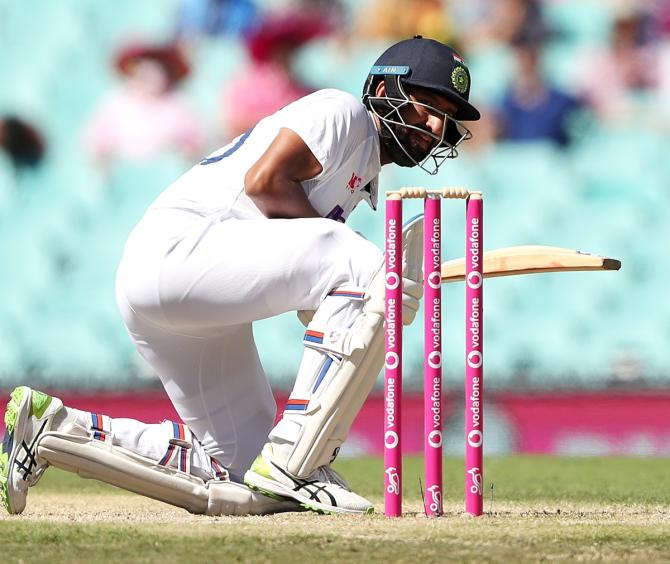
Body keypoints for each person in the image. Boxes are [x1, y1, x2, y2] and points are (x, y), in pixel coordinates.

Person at [0, 36, 480, 516]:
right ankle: (298, 460)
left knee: (241, 472)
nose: (436, 126)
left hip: (180, 292)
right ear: (383, 87)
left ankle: (53, 428)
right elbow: (265, 183)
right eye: (427, 104)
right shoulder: (342, 113)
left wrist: (341, 292)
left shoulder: (362, 172)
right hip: (178, 252)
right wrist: (359, 279)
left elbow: (301, 246)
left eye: (447, 117)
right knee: (368, 263)